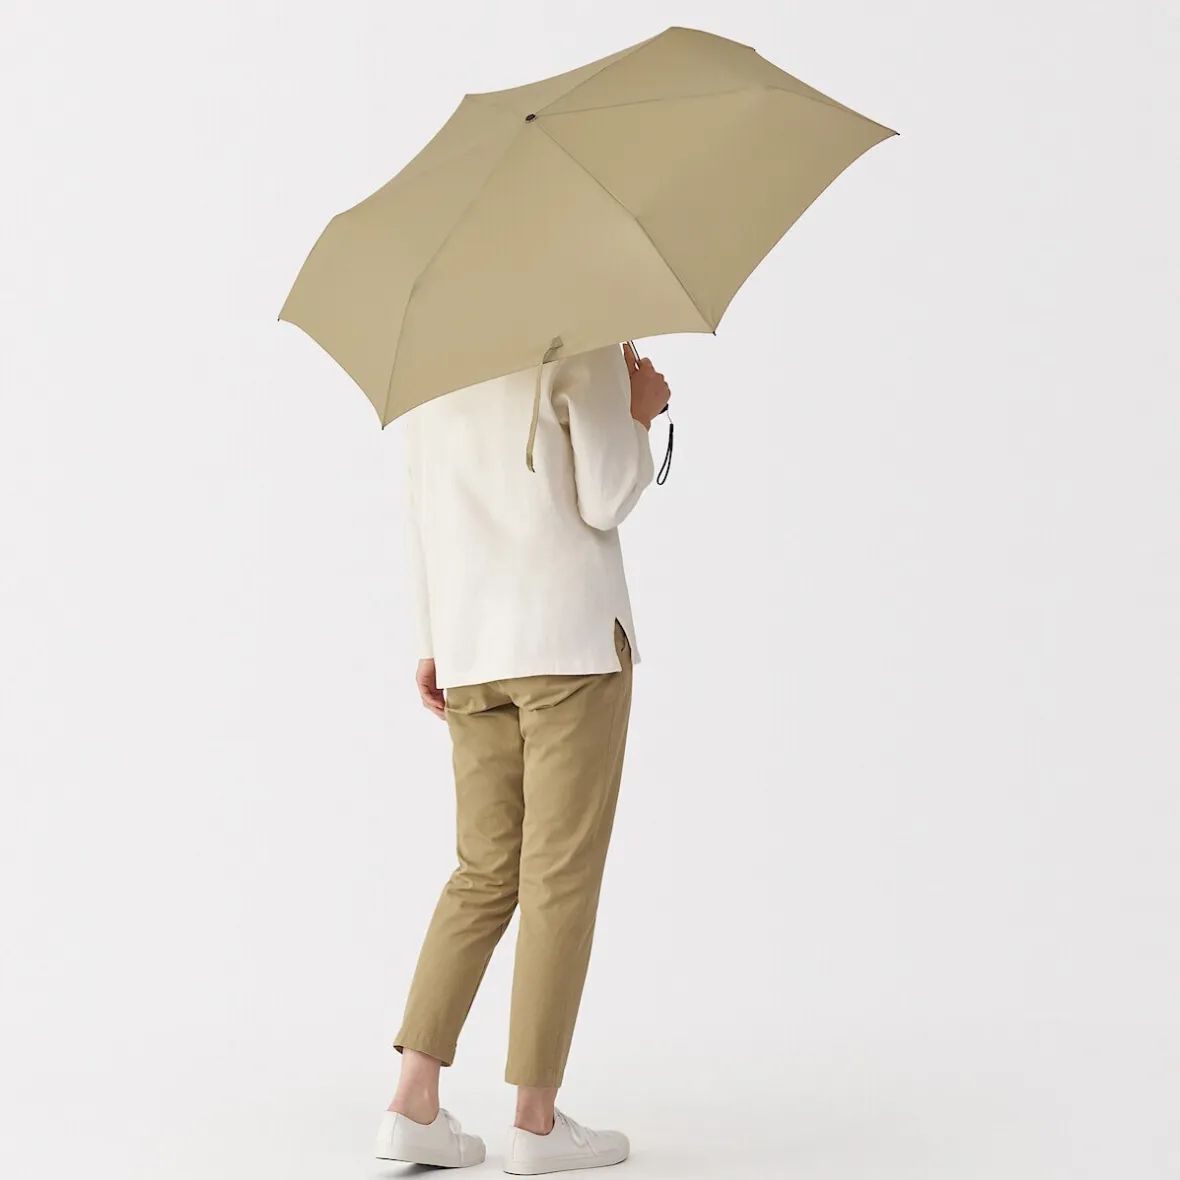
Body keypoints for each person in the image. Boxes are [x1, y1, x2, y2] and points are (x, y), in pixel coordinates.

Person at [373, 341, 670, 1174]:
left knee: (481, 872)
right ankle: (535, 1123)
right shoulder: (579, 334)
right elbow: (606, 497)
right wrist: (640, 412)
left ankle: (412, 1101)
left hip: (470, 648)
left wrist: (432, 641)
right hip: (570, 644)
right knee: (557, 879)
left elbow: (419, 507)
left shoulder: (430, 357)